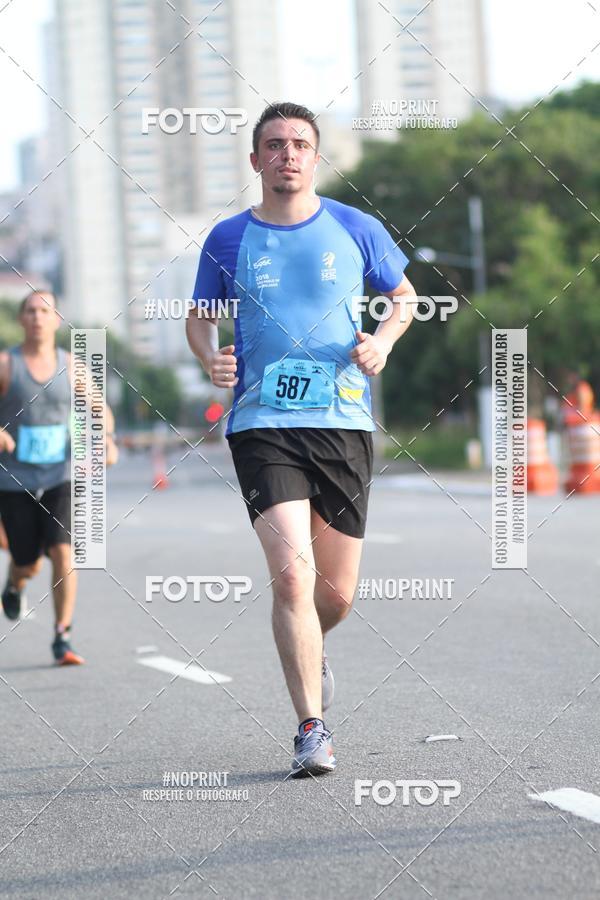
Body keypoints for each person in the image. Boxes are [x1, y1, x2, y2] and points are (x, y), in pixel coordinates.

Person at [186, 102, 416, 777]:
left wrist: (385, 340)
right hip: (262, 425)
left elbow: (402, 295)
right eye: (275, 145)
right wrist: (209, 357)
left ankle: (311, 646)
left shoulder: (356, 227)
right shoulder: (228, 239)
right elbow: (200, 318)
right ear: (255, 159)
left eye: (300, 144)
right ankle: (310, 729)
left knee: (335, 595)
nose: (288, 154)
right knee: (292, 573)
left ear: (315, 157)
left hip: (342, 421)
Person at [0, 290, 118, 664]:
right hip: (13, 479)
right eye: (31, 311)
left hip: (60, 474)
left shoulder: (72, 367)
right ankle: (14, 584)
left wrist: (107, 438)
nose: (37, 317)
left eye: (44, 311)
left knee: (63, 551)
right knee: (27, 561)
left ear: (56, 320)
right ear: (22, 320)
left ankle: (62, 636)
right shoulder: (6, 365)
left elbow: (101, 410)